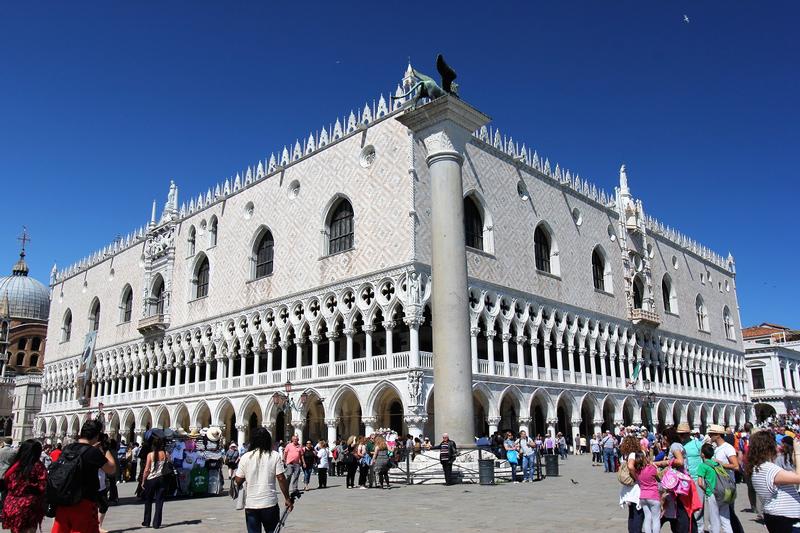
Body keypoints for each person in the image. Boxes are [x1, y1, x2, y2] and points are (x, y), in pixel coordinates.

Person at [51, 419, 117, 533]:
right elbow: (111, 469)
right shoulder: (93, 452)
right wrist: (105, 449)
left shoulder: (68, 448)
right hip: (83, 504)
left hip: (63, 502)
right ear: (97, 436)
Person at [234, 427, 293, 533]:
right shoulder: (274, 455)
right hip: (269, 503)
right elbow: (281, 478)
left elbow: (238, 480)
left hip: (251, 504)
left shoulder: (245, 457)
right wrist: (287, 498)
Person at [746, 430, 800, 533]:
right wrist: (797, 452)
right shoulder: (770, 469)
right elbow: (798, 478)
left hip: (774, 514)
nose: (778, 446)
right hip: (784, 516)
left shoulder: (758, 467)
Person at [2, 439, 47, 533]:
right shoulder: (37, 466)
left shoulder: (15, 465)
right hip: (29, 507)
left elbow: (7, 481)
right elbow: (43, 486)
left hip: (12, 505)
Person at [708, 424, 740, 533]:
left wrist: (720, 464)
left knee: (727, 514)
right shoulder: (716, 448)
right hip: (718, 485)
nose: (709, 435)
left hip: (727, 485)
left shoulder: (727, 448)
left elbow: (736, 466)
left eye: (711, 434)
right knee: (723, 514)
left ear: (717, 435)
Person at [140, 436, 169, 530]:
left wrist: (143, 480)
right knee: (159, 501)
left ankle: (147, 521)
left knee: (148, 500)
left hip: (151, 479)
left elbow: (146, 469)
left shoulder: (150, 455)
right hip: (162, 479)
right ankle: (156, 523)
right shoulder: (166, 453)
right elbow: (169, 463)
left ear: (153, 445)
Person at [619, 436, 644, 533]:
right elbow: (630, 466)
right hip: (635, 488)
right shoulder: (633, 454)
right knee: (638, 513)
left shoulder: (626, 455)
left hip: (628, 488)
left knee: (632, 514)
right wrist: (637, 477)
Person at [696, 443, 722, 533]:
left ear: (702, 454)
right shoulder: (716, 463)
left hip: (711, 492)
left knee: (713, 516)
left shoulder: (702, 466)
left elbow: (699, 483)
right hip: (720, 491)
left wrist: (706, 490)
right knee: (719, 515)